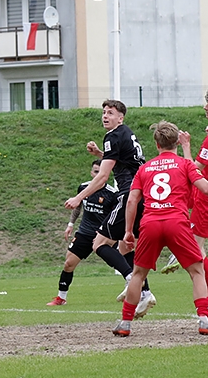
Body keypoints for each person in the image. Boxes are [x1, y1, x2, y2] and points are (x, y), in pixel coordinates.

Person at [112, 121, 208, 337]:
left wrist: (129, 231)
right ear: (177, 142)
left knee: (138, 274)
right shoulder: (186, 165)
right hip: (177, 222)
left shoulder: (144, 168)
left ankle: (125, 323)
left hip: (150, 223)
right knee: (196, 271)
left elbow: (131, 201)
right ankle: (204, 319)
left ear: (156, 144)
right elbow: (206, 189)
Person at [64, 99, 157, 319]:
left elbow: (103, 177)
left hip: (129, 196)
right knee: (125, 245)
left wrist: (79, 197)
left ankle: (137, 285)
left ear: (121, 117)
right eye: (104, 112)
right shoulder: (126, 134)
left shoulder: (113, 136)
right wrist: (100, 154)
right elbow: (126, 162)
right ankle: (143, 290)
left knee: (100, 243)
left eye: (111, 113)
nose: (105, 116)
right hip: (144, 195)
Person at [161, 87, 208, 320]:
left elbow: (193, 169)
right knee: (175, 208)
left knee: (196, 251)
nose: (206, 107)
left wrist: (186, 145)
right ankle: (180, 248)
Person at [46, 159, 117, 306]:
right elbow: (78, 207)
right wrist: (70, 224)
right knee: (68, 264)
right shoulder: (83, 188)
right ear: (92, 173)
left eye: (100, 172)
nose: (97, 174)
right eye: (95, 171)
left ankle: (136, 290)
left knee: (121, 263)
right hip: (84, 232)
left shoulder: (112, 194)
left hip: (104, 235)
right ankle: (61, 298)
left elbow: (115, 216)